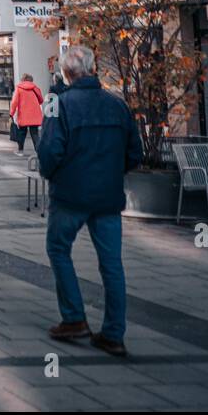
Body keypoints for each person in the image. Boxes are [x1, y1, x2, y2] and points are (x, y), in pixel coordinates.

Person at [38, 46, 143, 358]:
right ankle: (113, 333)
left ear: (66, 74)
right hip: (108, 196)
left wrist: (52, 174)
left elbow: (50, 151)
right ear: (93, 69)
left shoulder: (60, 104)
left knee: (58, 249)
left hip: (70, 195)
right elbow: (134, 153)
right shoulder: (117, 105)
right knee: (112, 264)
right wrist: (111, 173)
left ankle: (74, 318)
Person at [10, 72, 44, 153]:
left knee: (22, 133)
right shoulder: (35, 88)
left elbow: (14, 102)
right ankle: (39, 152)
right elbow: (41, 100)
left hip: (23, 114)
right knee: (35, 134)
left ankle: (20, 151)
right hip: (35, 114)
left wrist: (11, 113)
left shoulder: (19, 89)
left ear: (23, 80)